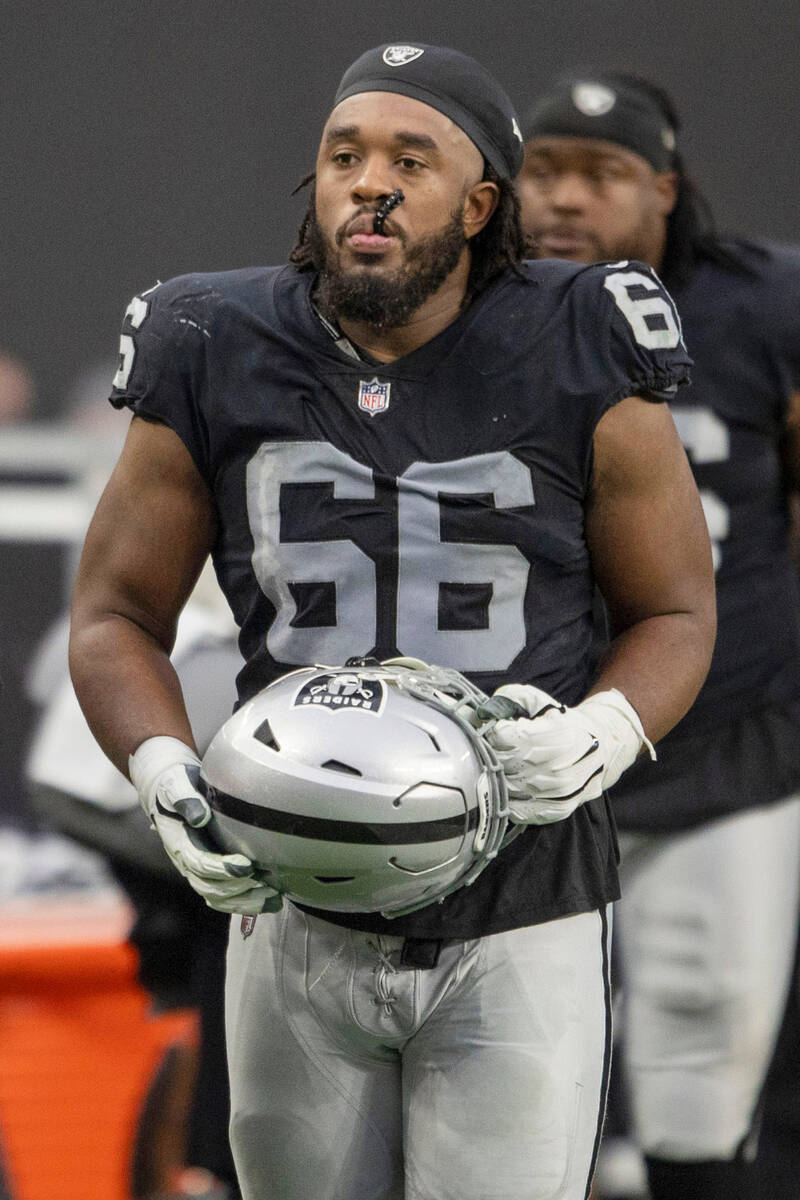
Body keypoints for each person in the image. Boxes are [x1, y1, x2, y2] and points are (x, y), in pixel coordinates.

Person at [68, 43, 715, 1200]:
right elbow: (115, 612)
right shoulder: (210, 338)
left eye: (409, 161)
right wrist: (164, 768)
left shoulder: (580, 335)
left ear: (476, 206)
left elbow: (672, 608)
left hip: (519, 905)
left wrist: (605, 731)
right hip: (291, 897)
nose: (369, 184)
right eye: (343, 156)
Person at [517, 71, 800, 1200]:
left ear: (665, 193)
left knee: (698, 1068)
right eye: (543, 169)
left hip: (719, 738)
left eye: (601, 174)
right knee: (512, 1089)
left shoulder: (757, 306)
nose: (565, 200)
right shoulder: (467, 305)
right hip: (527, 750)